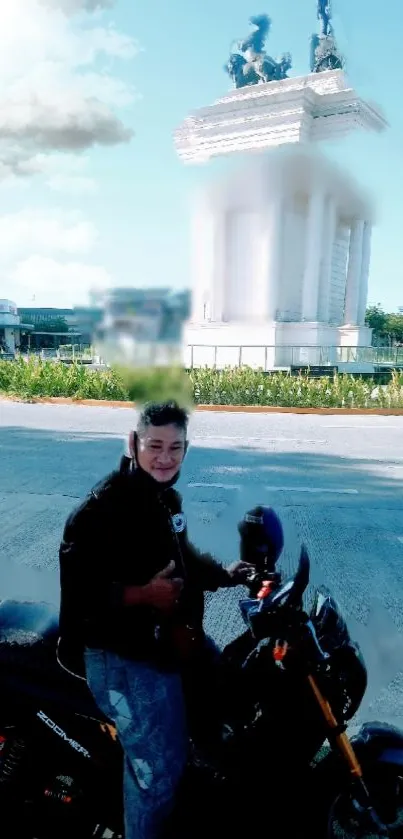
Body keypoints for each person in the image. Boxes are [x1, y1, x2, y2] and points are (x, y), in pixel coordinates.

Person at [58, 400, 254, 839]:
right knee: (157, 772)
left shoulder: (166, 498)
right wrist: (142, 594)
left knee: (227, 695)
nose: (164, 458)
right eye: (155, 446)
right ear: (133, 444)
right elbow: (79, 596)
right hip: (123, 657)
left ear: (187, 449)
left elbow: (182, 560)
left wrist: (227, 573)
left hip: (169, 642)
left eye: (175, 448)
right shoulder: (101, 510)